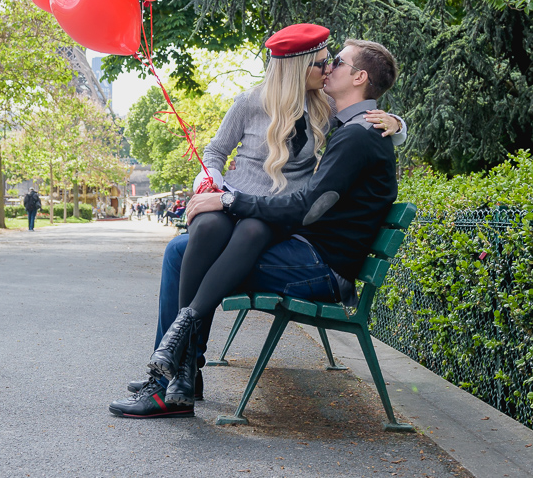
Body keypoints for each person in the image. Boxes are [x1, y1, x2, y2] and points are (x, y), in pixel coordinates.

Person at [109, 29, 404, 418]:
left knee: (191, 256)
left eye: (336, 62)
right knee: (183, 250)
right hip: (286, 233)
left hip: (312, 257)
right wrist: (214, 183)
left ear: (358, 77)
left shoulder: (342, 122)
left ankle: (170, 380)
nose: (330, 68)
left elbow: (309, 201)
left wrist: (397, 122)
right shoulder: (263, 103)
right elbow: (218, 150)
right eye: (323, 63)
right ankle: (182, 374)